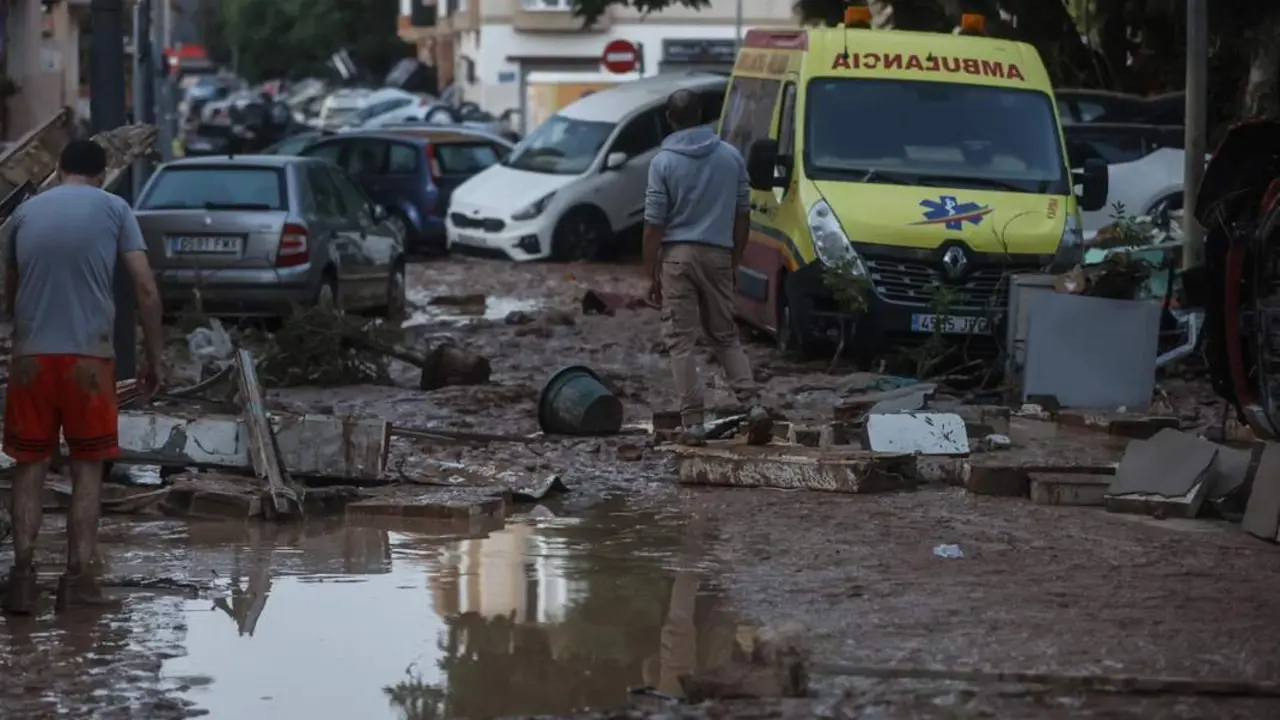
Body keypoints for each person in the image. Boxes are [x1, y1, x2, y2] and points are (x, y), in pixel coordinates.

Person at [2, 139, 165, 614]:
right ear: (102, 172)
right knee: (87, 472)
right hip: (90, 364)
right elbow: (146, 290)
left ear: (58, 167)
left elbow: (7, 296)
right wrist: (154, 360)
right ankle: (76, 585)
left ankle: (22, 581)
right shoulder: (115, 209)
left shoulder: (25, 215)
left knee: (28, 468)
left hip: (32, 360)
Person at [642, 89, 771, 446]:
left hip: (677, 257)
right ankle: (754, 406)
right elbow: (743, 214)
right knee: (726, 337)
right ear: (701, 115)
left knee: (681, 342)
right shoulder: (730, 157)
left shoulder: (662, 163)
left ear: (670, 119)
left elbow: (653, 224)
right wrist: (734, 258)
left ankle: (694, 425)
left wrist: (649, 272)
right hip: (718, 253)